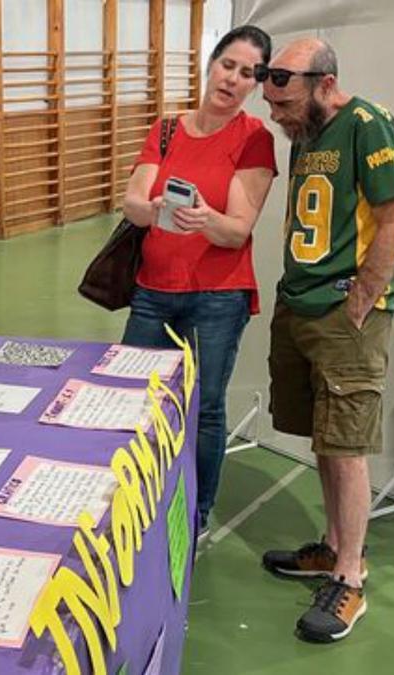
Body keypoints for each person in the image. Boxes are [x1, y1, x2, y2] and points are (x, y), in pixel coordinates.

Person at [259, 37, 394, 643]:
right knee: (324, 435)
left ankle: (350, 575)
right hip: (300, 305)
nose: (277, 114)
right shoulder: (307, 132)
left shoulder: (369, 125)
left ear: (324, 84)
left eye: (286, 102)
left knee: (347, 446)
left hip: (346, 315)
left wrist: (358, 306)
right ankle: (331, 545)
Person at [119, 25, 277, 536]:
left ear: (255, 84)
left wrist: (203, 217)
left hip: (217, 296)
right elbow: (134, 203)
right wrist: (156, 207)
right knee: (132, 397)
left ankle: (197, 514)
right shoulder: (166, 129)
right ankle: (132, 501)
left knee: (206, 407)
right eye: (228, 65)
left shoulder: (254, 139)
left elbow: (237, 230)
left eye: (248, 73)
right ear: (211, 64)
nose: (233, 79)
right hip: (153, 290)